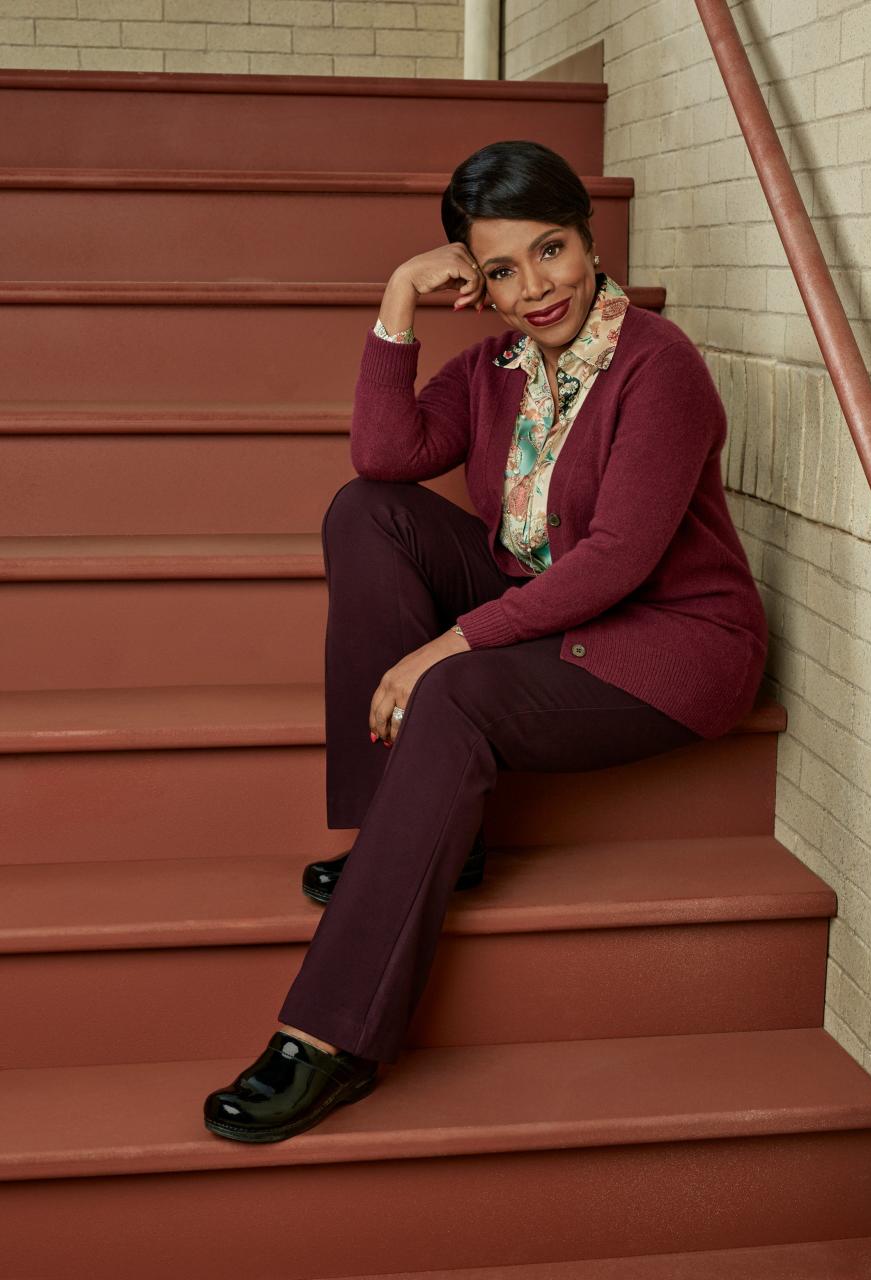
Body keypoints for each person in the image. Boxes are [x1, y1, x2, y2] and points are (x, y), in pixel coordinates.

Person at [203, 139, 768, 1144]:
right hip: (546, 601)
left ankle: (330, 1037)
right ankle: (406, 832)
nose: (535, 286)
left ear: (590, 239)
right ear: (478, 281)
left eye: (550, 250)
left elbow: (616, 562)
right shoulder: (498, 364)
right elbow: (387, 456)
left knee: (454, 693)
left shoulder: (658, 365)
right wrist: (397, 302)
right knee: (366, 513)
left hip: (669, 639)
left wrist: (443, 649)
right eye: (502, 269)